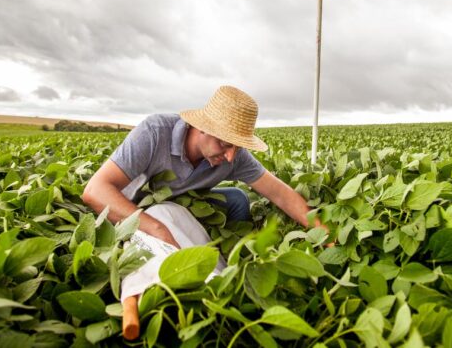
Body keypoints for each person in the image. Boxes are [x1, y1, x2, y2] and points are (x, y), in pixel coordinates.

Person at [82, 85, 325, 248]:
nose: (231, 157)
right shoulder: (155, 132)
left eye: (237, 147)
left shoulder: (234, 155)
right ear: (202, 128)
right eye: (224, 144)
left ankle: (229, 253)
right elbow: (95, 191)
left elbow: (281, 195)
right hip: (136, 208)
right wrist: (156, 228)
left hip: (181, 203)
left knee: (239, 200)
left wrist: (326, 235)